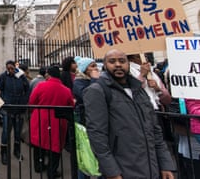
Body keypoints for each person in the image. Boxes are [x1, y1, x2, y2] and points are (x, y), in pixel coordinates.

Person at [83, 49, 175, 179]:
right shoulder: (97, 91)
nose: (118, 65)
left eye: (122, 61)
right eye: (112, 61)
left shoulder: (139, 89)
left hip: (151, 167)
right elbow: (97, 135)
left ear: (128, 64)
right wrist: (112, 172)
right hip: (123, 168)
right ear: (104, 65)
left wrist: (165, 164)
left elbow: (155, 130)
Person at [28, 65, 74, 179]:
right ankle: (52, 171)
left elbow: (32, 102)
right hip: (58, 121)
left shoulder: (40, 86)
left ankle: (38, 166)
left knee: (39, 144)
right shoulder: (66, 90)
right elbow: (71, 106)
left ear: (49, 74)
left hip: (40, 119)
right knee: (55, 146)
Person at [0, 59, 30, 164]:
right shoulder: (3, 76)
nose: (10, 70)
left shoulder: (21, 76)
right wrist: (4, 101)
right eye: (8, 69)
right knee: (6, 131)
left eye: (12, 68)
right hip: (8, 108)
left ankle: (17, 151)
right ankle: (4, 153)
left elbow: (27, 89)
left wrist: (23, 101)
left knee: (17, 132)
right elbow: (0, 89)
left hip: (19, 108)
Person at [73, 56, 99, 125]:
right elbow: (88, 97)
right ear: (84, 69)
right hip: (84, 115)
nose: (96, 68)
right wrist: (94, 79)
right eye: (92, 66)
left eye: (96, 65)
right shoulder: (78, 82)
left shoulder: (95, 79)